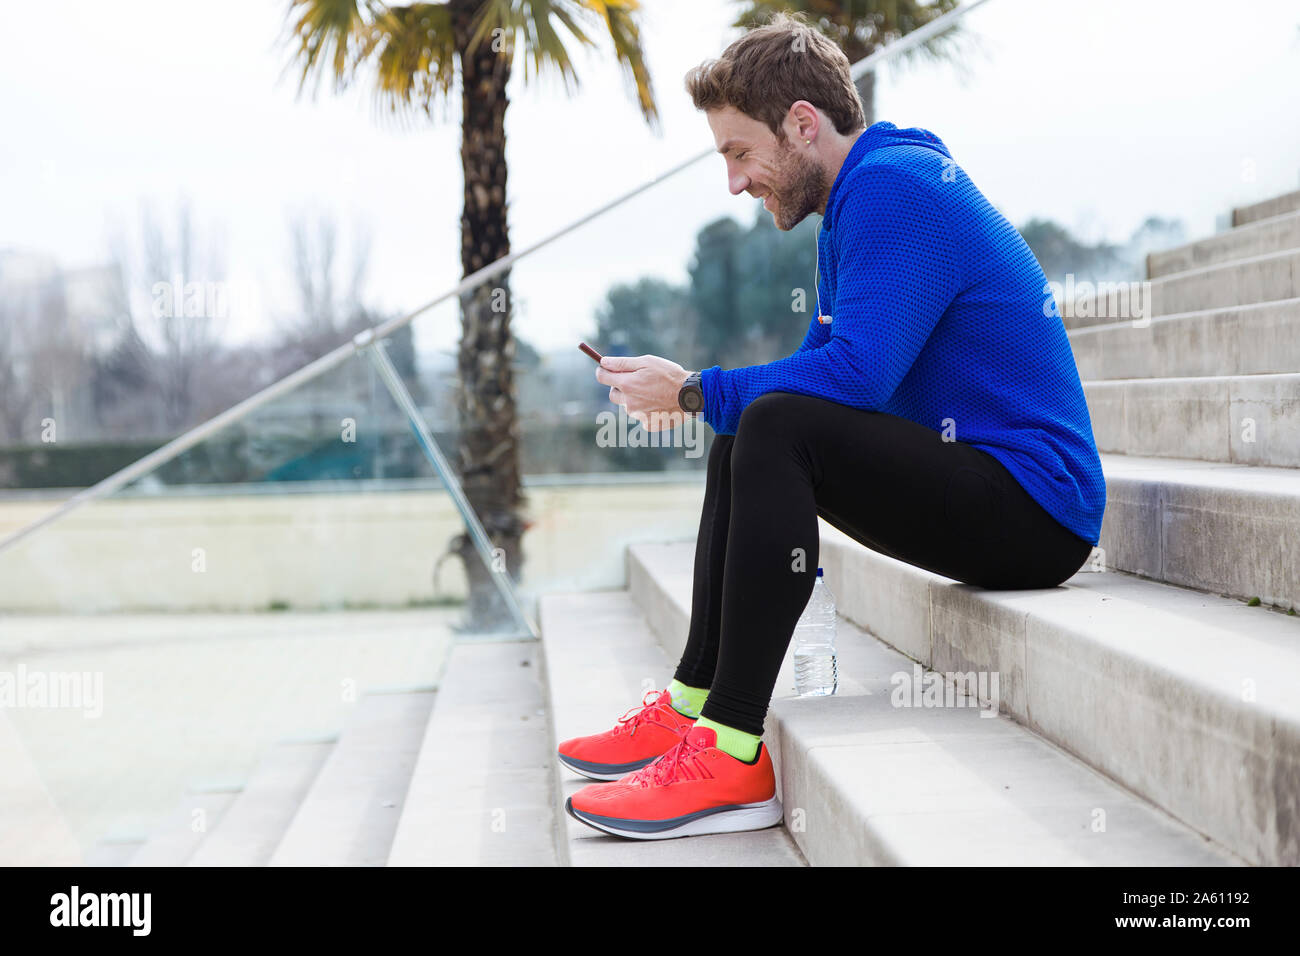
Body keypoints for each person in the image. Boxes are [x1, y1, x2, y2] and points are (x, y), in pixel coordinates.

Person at [560, 11, 1106, 841]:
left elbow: (854, 378)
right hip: (992, 489)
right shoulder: (856, 202)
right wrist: (706, 397)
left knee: (766, 423)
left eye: (741, 153)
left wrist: (696, 389)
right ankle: (692, 707)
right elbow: (814, 381)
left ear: (802, 124)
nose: (735, 183)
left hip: (1037, 508)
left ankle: (734, 752)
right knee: (751, 429)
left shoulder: (897, 190)